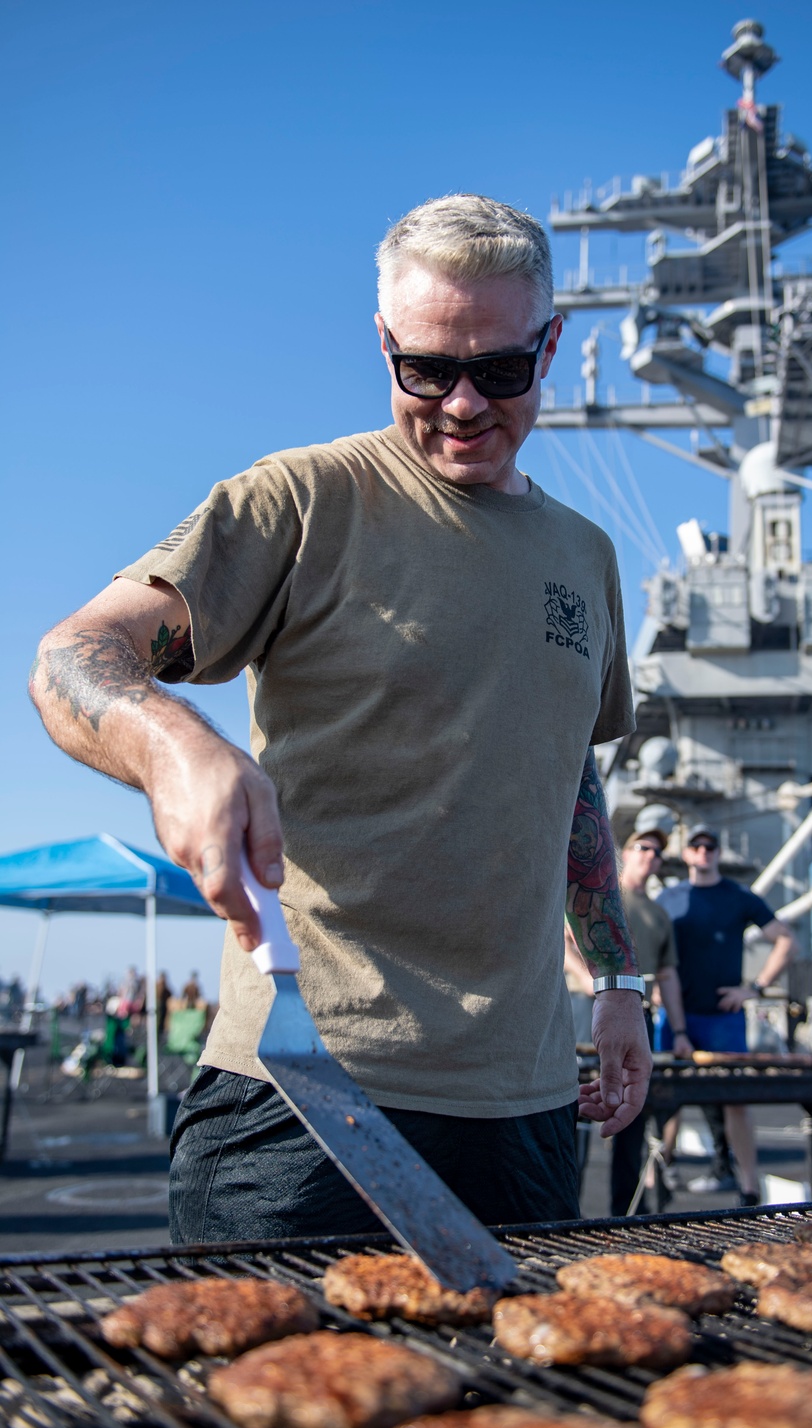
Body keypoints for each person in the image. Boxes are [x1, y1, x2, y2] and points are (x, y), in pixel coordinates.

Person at [30, 194, 651, 1243]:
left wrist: (618, 976)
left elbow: (568, 778)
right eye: (425, 368)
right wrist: (173, 743)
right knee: (248, 1406)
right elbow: (74, 656)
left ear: (552, 344)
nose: (461, 403)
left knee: (515, 1403)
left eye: (500, 370)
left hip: (529, 1102)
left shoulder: (584, 559)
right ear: (382, 344)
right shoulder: (301, 502)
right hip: (304, 1089)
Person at [657, 823, 796, 1205]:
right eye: (697, 846)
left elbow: (785, 938)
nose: (704, 851)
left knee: (736, 1100)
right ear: (686, 854)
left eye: (710, 846)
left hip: (723, 1018)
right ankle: (659, 1173)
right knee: (665, 1099)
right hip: (675, 1015)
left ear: (718, 853)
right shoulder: (667, 899)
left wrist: (755, 989)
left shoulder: (739, 897)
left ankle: (749, 1187)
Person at [610, 828, 685, 1215]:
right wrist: (602, 988)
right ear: (625, 852)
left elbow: (668, 977)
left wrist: (682, 1031)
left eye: (657, 852)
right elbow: (566, 945)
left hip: (638, 1017)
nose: (650, 856)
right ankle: (561, 1213)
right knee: (571, 1112)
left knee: (630, 1117)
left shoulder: (658, 914)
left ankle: (624, 1213)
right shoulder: (601, 898)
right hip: (585, 1013)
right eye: (643, 847)